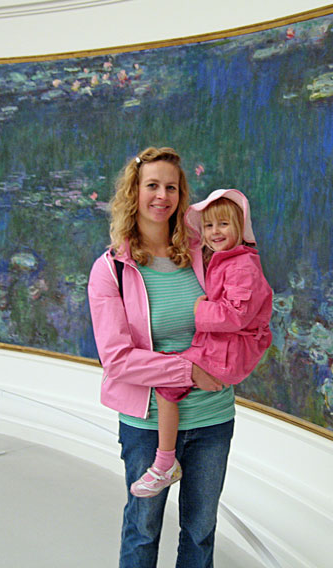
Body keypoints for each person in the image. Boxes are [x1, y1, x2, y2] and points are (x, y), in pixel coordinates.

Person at [87, 147, 234, 568]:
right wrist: (189, 370)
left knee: (201, 532)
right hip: (147, 423)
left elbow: (238, 311)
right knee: (143, 529)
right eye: (152, 185)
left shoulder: (205, 254)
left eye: (171, 187)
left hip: (212, 416)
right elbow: (117, 359)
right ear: (134, 192)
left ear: (181, 195)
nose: (162, 196)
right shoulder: (111, 269)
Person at [129, 189, 272, 499]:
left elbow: (235, 316)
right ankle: (166, 461)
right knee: (169, 375)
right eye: (208, 226)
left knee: (167, 383)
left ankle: (165, 464)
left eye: (223, 224)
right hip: (221, 346)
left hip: (228, 352)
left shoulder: (242, 266)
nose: (215, 232)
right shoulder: (224, 259)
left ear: (240, 227)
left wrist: (200, 310)